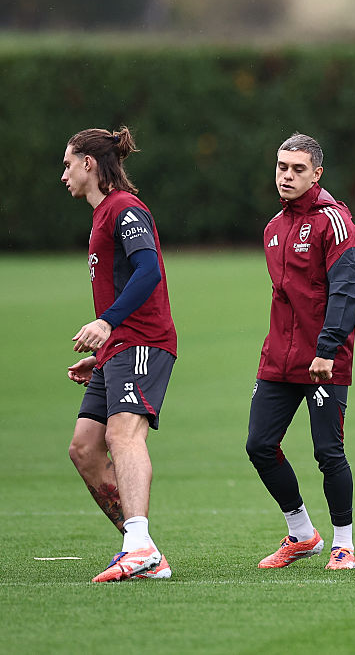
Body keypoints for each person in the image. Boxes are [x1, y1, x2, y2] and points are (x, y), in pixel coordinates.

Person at [63, 126, 177, 582]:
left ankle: (139, 545)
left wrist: (107, 323)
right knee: (85, 449)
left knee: (123, 437)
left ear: (89, 164)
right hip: (119, 348)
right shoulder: (102, 215)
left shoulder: (124, 209)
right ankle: (141, 547)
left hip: (143, 341)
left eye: (68, 164)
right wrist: (105, 348)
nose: (64, 174)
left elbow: (148, 270)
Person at [246, 133, 355, 571]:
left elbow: (348, 290)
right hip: (278, 358)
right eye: (281, 167)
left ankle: (343, 543)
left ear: (317, 173)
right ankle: (301, 533)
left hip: (323, 360)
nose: (287, 175)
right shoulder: (273, 229)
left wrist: (327, 348)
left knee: (327, 453)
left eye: (298, 169)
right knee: (259, 445)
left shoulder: (334, 222)